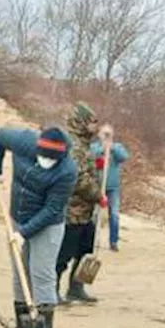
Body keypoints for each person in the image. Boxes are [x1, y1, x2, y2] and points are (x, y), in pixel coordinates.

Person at [0, 124, 78, 328]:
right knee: (20, 271)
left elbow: (52, 209)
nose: (46, 162)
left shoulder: (67, 171)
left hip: (48, 223)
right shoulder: (23, 140)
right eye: (43, 156)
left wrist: (23, 233)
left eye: (52, 159)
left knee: (41, 272)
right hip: (18, 215)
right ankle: (23, 327)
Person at [55, 103, 105, 305]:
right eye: (93, 122)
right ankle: (52, 289)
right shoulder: (73, 145)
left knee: (86, 248)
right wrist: (97, 195)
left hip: (85, 211)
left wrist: (97, 165)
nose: (95, 127)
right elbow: (78, 179)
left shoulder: (85, 145)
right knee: (64, 252)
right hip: (71, 210)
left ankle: (76, 287)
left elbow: (88, 169)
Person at [89, 123, 130, 251]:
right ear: (99, 134)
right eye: (104, 133)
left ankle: (113, 241)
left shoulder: (117, 148)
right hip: (96, 186)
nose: (106, 136)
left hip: (112, 188)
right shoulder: (95, 147)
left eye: (108, 133)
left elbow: (124, 157)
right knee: (94, 215)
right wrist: (102, 149)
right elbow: (90, 156)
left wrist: (111, 148)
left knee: (114, 214)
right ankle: (91, 240)